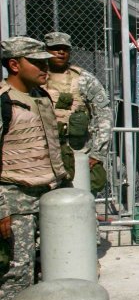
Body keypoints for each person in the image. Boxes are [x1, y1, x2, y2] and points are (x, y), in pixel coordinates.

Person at [0, 37, 71, 300]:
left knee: (48, 266)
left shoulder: (40, 97)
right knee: (17, 271)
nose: (46, 68)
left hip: (49, 194)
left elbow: (51, 146)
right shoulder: (4, 102)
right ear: (15, 64)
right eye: (37, 63)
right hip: (15, 199)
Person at [44, 32, 111, 194]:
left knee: (80, 194)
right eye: (55, 48)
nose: (61, 52)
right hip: (44, 149)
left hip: (77, 149)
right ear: (45, 50)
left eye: (65, 49)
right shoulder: (35, 77)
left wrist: (97, 153)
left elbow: (104, 115)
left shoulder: (83, 79)